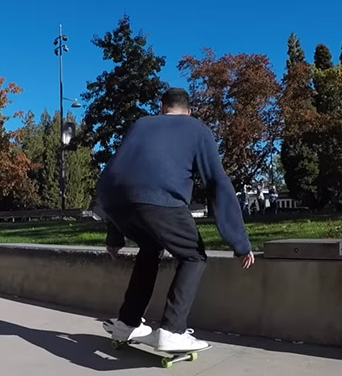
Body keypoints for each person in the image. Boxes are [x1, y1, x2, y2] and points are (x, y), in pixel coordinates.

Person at [97, 87, 255, 352]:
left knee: (150, 248)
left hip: (111, 199)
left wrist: (114, 236)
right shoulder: (196, 129)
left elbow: (125, 176)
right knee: (193, 256)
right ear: (189, 111)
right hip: (159, 197)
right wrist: (239, 241)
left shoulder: (140, 125)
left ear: (162, 108)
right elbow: (217, 182)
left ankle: (127, 323)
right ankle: (172, 329)